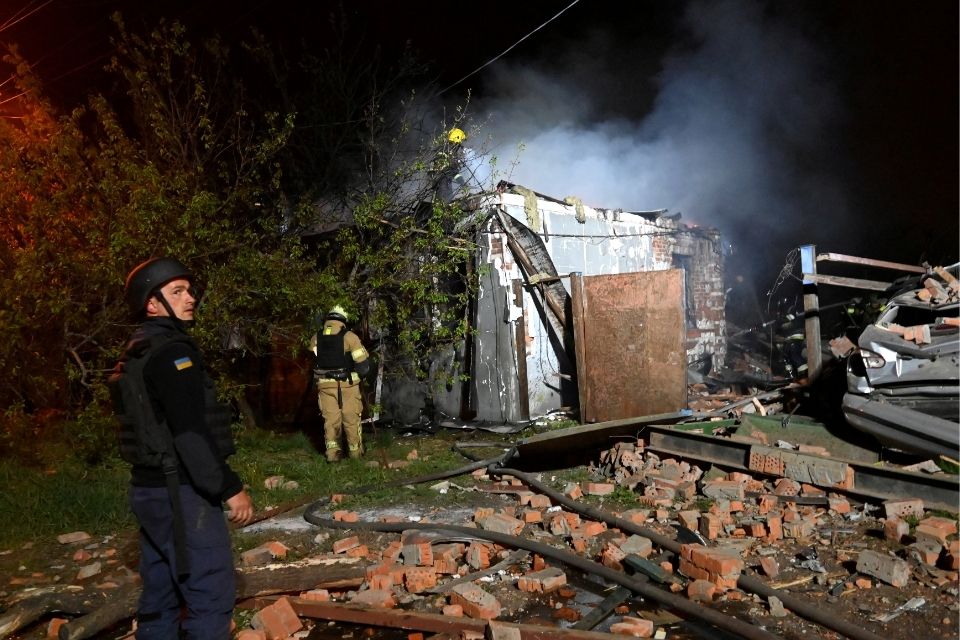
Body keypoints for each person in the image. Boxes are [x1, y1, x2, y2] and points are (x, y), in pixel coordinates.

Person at [114, 257, 254, 640]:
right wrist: (229, 487)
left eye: (189, 290)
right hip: (180, 492)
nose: (190, 297)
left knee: (161, 591)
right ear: (152, 303)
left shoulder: (136, 351)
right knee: (209, 591)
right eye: (177, 292)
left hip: (148, 490)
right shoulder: (173, 353)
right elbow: (190, 434)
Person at [310, 305, 370, 461]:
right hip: (347, 386)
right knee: (351, 418)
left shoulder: (316, 338)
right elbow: (363, 367)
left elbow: (316, 359)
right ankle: (355, 454)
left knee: (331, 421)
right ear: (343, 320)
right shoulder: (350, 337)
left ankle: (333, 455)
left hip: (325, 387)